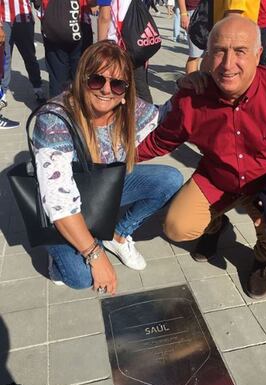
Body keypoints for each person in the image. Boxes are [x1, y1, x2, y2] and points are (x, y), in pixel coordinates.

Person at [137, 15, 266, 299]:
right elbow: (161, 140)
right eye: (219, 51)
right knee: (177, 226)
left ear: (258, 54)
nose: (228, 65)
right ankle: (216, 227)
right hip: (217, 177)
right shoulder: (194, 97)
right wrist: (119, 157)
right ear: (207, 55)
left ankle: (265, 257)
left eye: (240, 51)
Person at [32, 40, 183, 294]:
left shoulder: (127, 109)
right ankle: (57, 259)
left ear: (125, 90)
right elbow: (60, 203)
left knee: (170, 179)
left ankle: (118, 234)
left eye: (117, 83)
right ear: (82, 79)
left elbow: (165, 117)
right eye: (96, 80)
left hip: (100, 192)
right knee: (79, 278)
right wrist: (95, 255)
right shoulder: (55, 119)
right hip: (62, 210)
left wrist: (190, 87)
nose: (106, 90)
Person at [97, 0, 156, 103]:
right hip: (137, 42)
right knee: (139, 86)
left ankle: (147, 115)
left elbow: (105, 17)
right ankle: (148, 114)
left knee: (115, 86)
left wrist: (100, 48)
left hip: (117, 45)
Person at [39, 0, 94, 97]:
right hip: (80, 27)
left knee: (57, 78)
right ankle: (80, 108)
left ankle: (57, 109)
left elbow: (37, 4)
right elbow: (93, 4)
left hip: (54, 29)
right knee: (81, 76)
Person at [0, 0, 46, 109]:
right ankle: (2, 93)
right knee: (4, 57)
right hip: (4, 20)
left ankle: (37, 88)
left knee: (29, 56)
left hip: (24, 20)